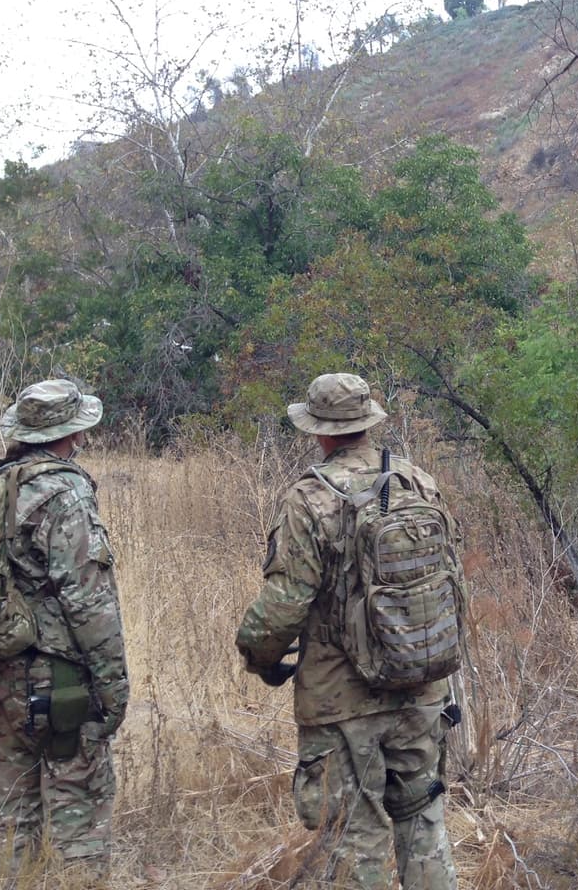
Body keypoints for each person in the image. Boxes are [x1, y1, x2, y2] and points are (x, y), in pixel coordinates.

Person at [236, 373, 459, 890]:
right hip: (421, 686)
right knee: (423, 822)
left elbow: (283, 607)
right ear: (367, 422)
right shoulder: (417, 481)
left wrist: (258, 657)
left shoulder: (310, 498)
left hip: (341, 702)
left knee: (354, 839)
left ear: (319, 430)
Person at [0, 379, 129, 878]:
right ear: (73, 433)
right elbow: (87, 600)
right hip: (58, 682)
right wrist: (113, 686)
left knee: (12, 818)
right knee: (79, 817)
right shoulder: (66, 493)